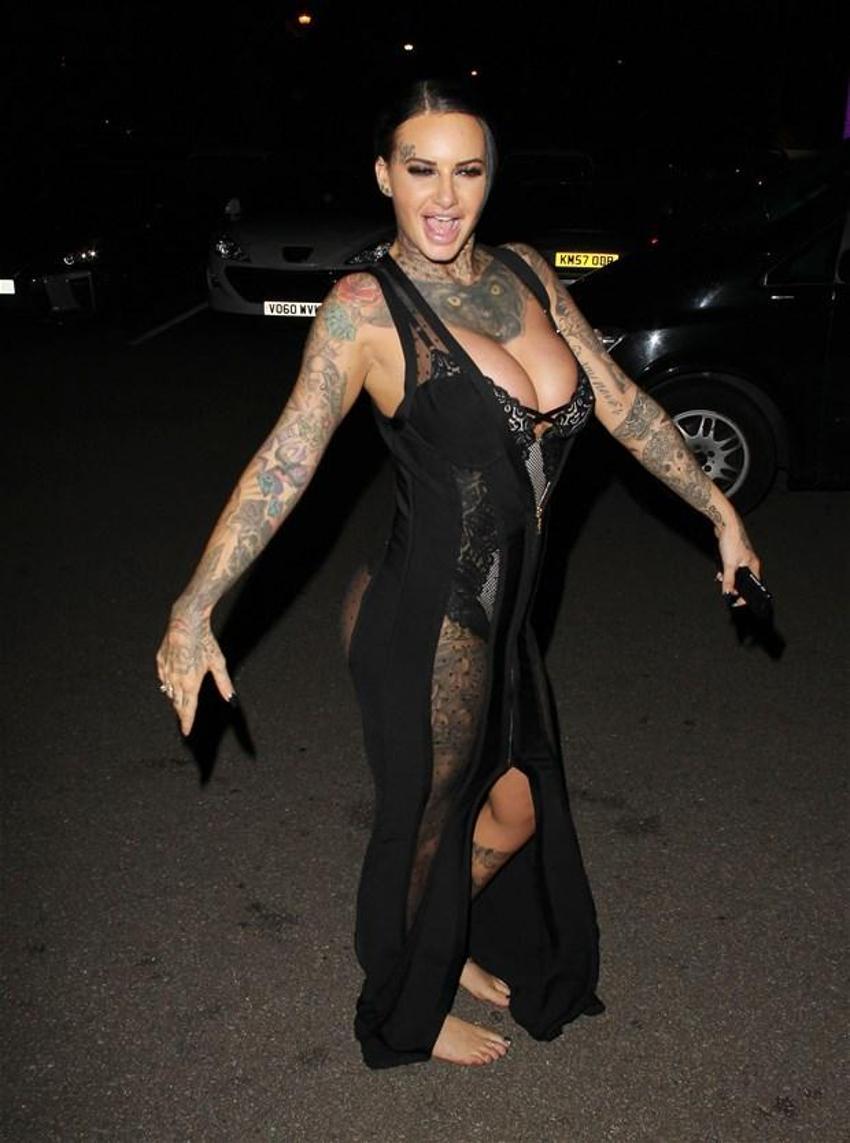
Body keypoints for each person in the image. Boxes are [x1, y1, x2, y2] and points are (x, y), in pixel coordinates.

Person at [156, 80, 762, 1070]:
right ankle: (404, 994)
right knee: (424, 824)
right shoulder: (364, 310)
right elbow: (284, 463)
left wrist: (719, 509)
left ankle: (436, 938)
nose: (444, 196)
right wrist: (195, 607)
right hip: (426, 618)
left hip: (510, 620)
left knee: (516, 808)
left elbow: (617, 399)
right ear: (383, 176)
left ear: (490, 177)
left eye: (467, 171)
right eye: (421, 170)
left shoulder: (526, 272)